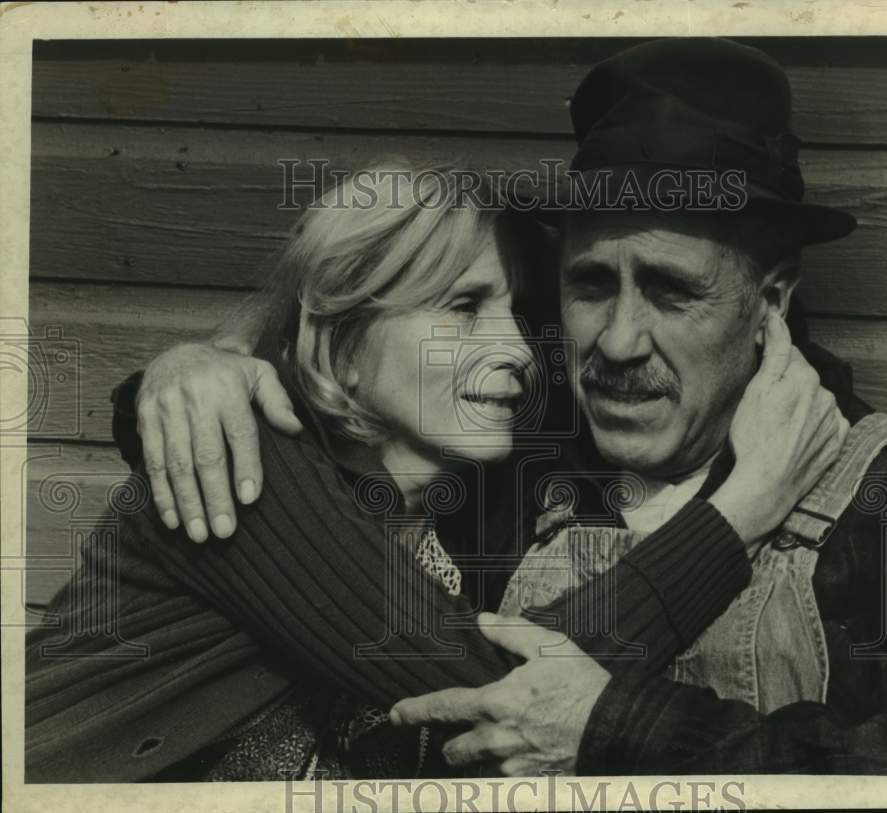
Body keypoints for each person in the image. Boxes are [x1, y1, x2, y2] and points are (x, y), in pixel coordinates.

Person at [125, 38, 887, 776]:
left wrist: (614, 727)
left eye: (672, 292)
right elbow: (345, 364)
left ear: (772, 302)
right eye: (591, 285)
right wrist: (191, 370)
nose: (618, 342)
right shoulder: (511, 446)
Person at [25, 160, 845, 781]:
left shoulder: (438, 513)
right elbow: (500, 696)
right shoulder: (251, 462)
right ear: (343, 346)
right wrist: (740, 512)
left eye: (515, 313)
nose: (517, 351)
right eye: (462, 309)